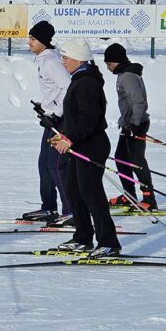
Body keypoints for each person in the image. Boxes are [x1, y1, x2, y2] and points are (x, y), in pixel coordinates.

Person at [51, 40, 120, 257]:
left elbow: (89, 119)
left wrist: (69, 139)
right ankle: (83, 237)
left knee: (92, 194)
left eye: (66, 58)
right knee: (74, 191)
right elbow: (77, 118)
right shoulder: (80, 79)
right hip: (80, 143)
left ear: (79, 59)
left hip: (92, 145)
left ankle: (109, 242)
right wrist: (63, 136)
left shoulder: (87, 82)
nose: (63, 63)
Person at [21, 20, 72, 226]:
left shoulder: (51, 61)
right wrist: (44, 107)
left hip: (59, 121)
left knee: (55, 165)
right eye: (30, 38)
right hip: (51, 119)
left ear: (42, 41)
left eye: (33, 39)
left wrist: (57, 112)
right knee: (44, 164)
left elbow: (68, 87)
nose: (29, 42)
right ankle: (48, 207)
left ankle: (70, 211)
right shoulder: (44, 59)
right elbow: (54, 90)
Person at [103, 43, 158, 211]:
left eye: (109, 63)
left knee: (137, 161)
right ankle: (129, 195)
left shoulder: (127, 76)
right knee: (121, 158)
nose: (107, 67)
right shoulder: (125, 74)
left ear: (118, 61)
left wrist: (134, 124)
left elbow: (138, 101)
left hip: (137, 123)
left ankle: (149, 199)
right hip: (129, 124)